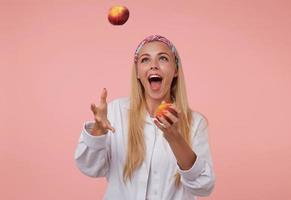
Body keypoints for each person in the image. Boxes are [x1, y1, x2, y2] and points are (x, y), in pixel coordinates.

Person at [74, 35, 216, 199]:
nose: (154, 66)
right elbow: (89, 167)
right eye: (145, 60)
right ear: (138, 73)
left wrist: (175, 138)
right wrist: (98, 130)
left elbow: (203, 187)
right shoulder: (115, 111)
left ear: (175, 70)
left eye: (162, 58)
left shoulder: (196, 123)